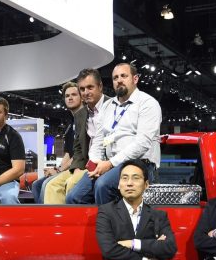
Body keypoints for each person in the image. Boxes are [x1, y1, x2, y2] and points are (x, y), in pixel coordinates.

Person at [69, 63, 161, 204]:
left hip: (139, 163)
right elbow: (99, 139)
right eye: (115, 78)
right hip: (109, 164)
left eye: (123, 76)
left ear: (135, 79)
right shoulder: (108, 106)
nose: (119, 80)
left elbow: (142, 144)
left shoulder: (147, 103)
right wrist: (95, 162)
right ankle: (104, 216)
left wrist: (111, 163)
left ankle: (108, 218)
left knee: (102, 186)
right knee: (74, 197)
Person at [49, 68, 106, 205]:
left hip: (105, 163)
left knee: (72, 187)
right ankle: (55, 220)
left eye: (90, 87)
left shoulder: (112, 106)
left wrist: (62, 169)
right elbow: (77, 149)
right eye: (82, 89)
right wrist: (75, 168)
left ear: (100, 86)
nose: (86, 92)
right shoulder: (80, 116)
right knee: (51, 186)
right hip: (85, 165)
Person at [32, 81, 82, 203]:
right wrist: (56, 168)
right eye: (67, 96)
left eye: (74, 95)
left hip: (80, 167)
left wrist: (59, 170)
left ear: (82, 97)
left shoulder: (86, 119)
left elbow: (79, 154)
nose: (70, 98)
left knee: (47, 184)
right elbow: (68, 153)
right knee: (36, 184)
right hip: (70, 166)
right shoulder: (71, 124)